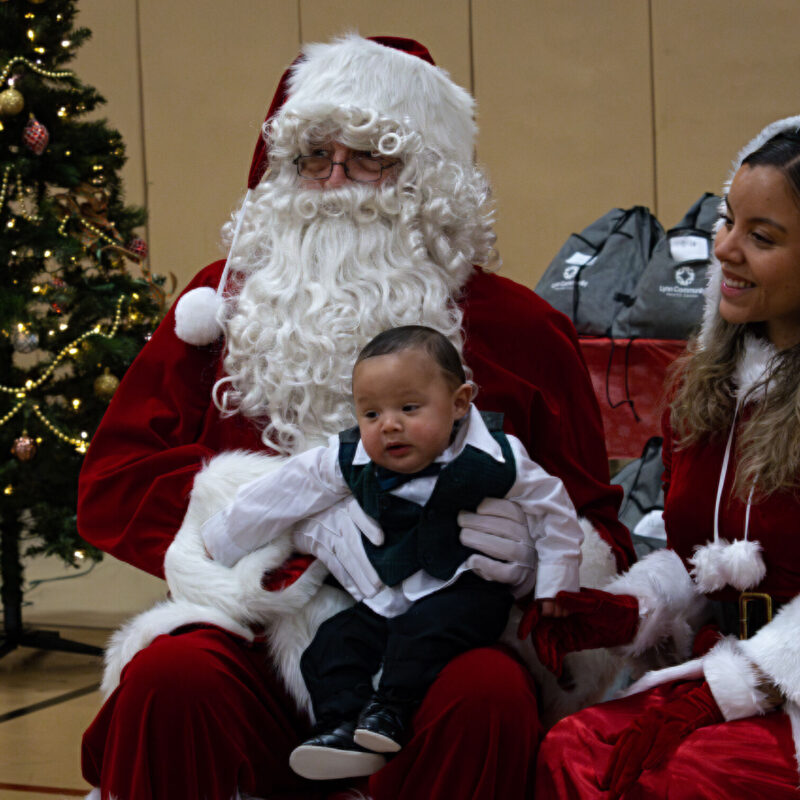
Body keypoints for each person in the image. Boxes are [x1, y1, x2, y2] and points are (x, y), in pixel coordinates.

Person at [78, 34, 634, 800]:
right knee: (170, 676)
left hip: (443, 636)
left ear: (428, 182)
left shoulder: (521, 332)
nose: (335, 182)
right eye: (313, 157)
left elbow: (599, 519)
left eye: (369, 157)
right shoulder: (221, 307)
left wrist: (541, 560)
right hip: (259, 636)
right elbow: (115, 479)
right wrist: (267, 526)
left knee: (489, 697)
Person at [533, 115, 800, 799]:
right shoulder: (712, 388)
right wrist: (627, 610)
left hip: (782, 691)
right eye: (727, 221)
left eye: (761, 237)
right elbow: (699, 557)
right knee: (573, 747)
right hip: (721, 667)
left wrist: (735, 688)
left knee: (683, 777)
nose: (725, 250)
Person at [200, 325, 585, 780]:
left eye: (408, 408)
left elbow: (554, 511)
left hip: (463, 588)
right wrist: (221, 542)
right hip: (386, 595)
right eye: (371, 413)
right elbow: (283, 491)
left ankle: (389, 712)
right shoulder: (348, 458)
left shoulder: (499, 457)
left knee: (428, 634)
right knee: (331, 646)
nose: (389, 425)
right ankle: (342, 727)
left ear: (459, 403)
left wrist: (555, 582)